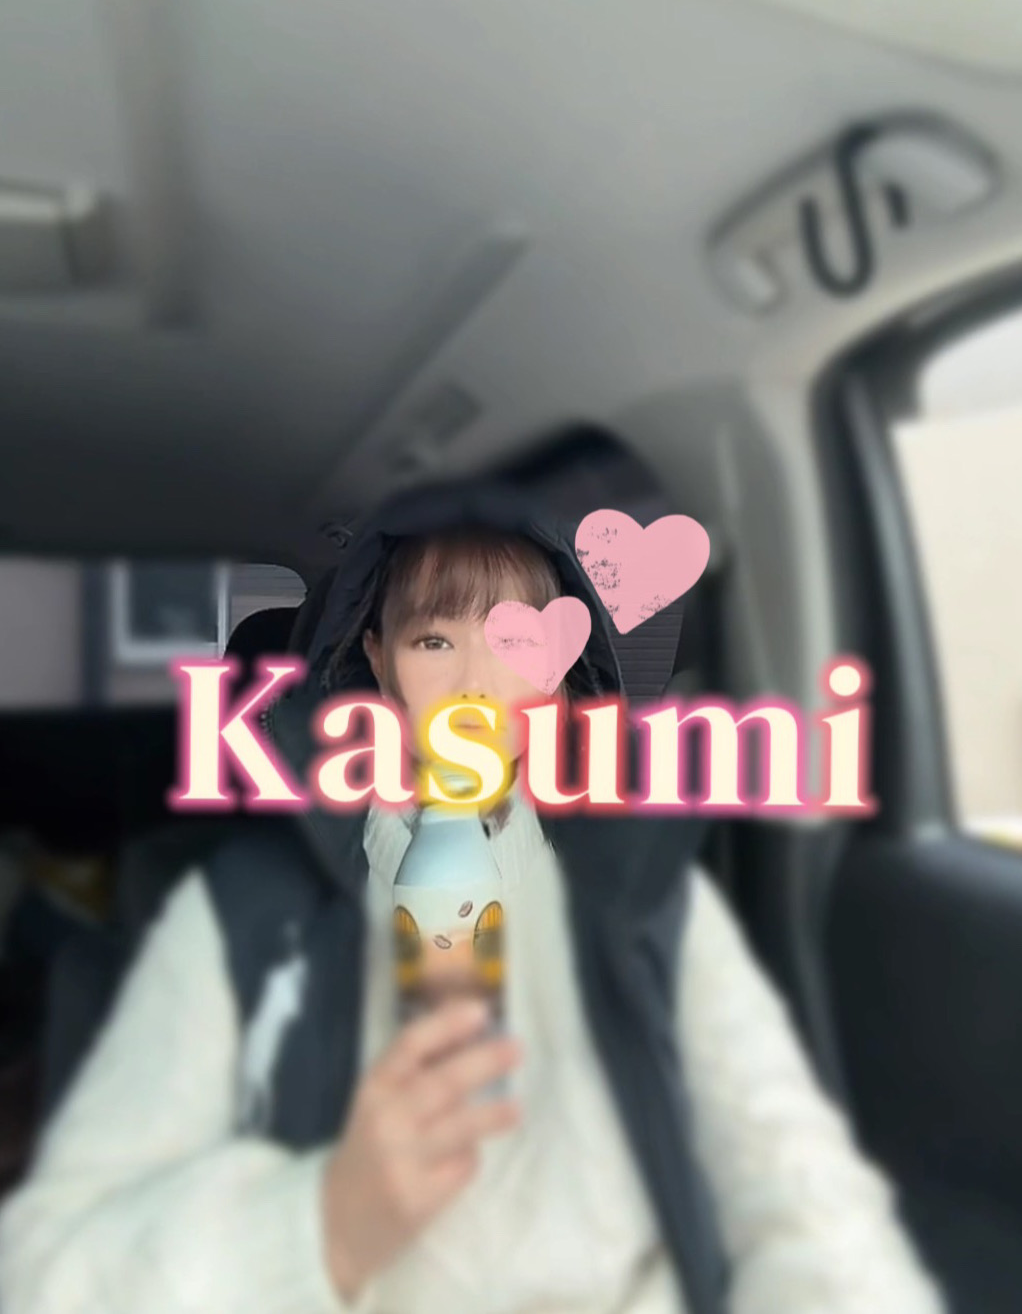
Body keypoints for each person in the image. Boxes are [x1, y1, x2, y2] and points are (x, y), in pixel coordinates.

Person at [0, 477, 946, 1314]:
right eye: (435, 638)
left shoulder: (643, 893)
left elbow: (802, 1196)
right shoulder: (246, 911)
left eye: (514, 642)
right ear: (378, 657)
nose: (475, 687)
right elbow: (41, 1275)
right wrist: (319, 1225)